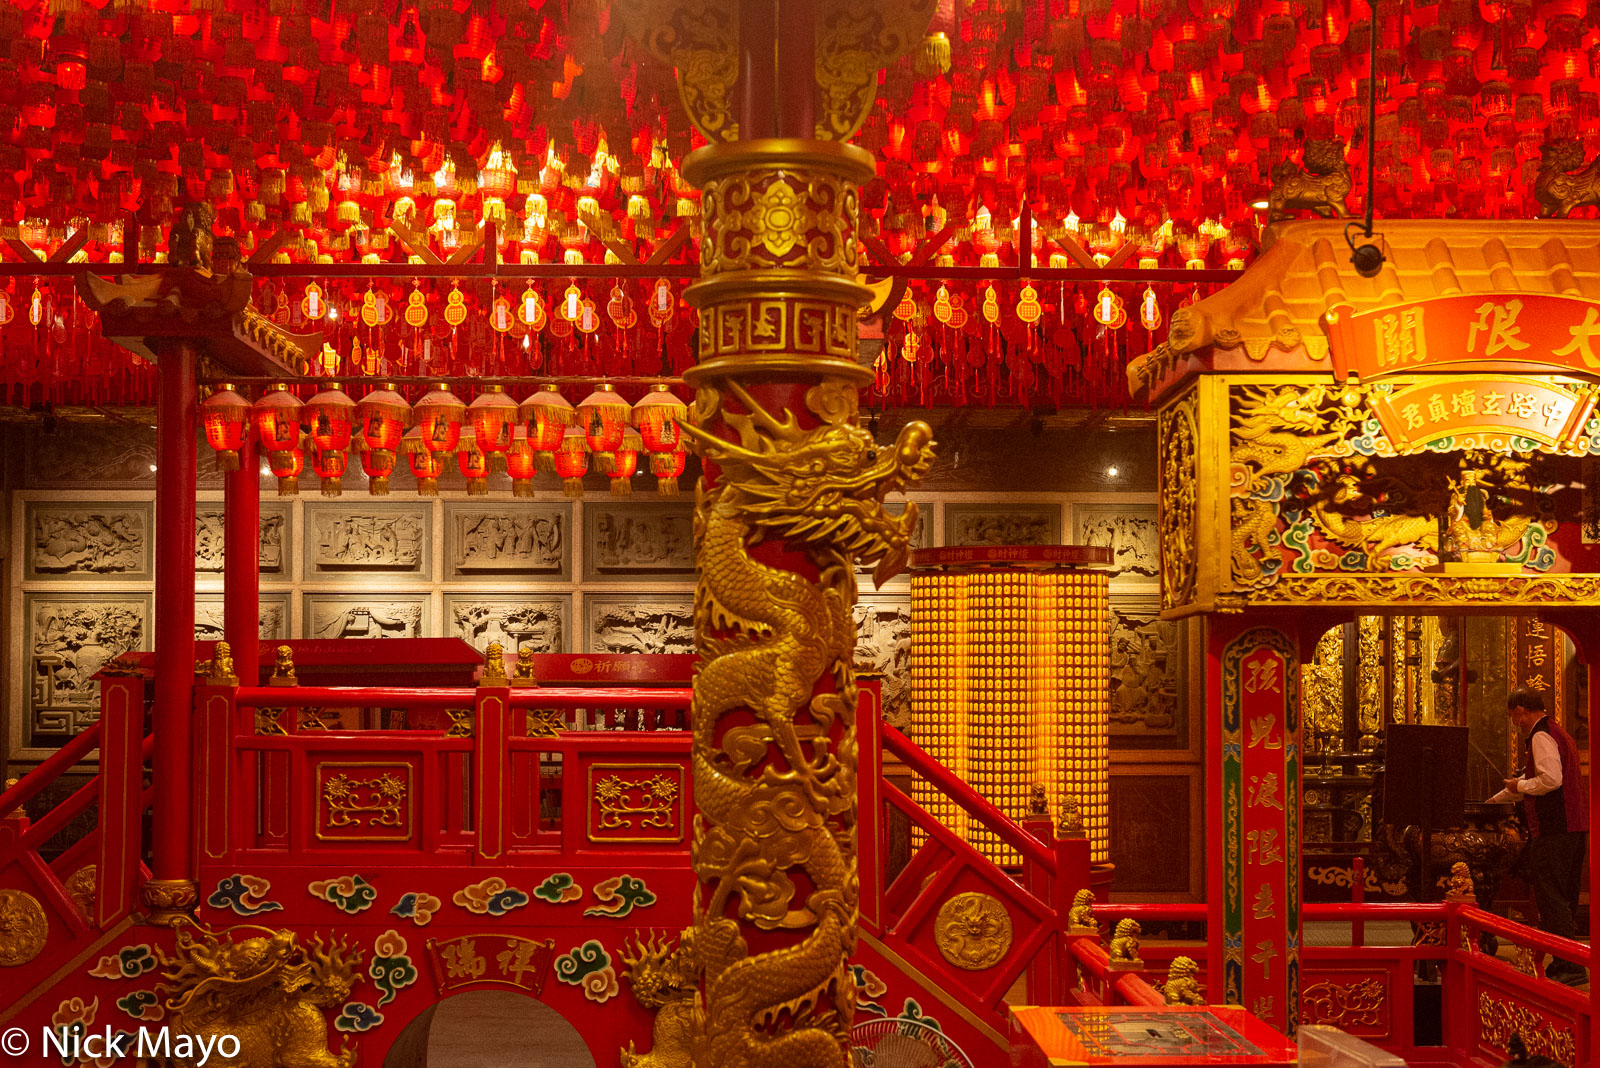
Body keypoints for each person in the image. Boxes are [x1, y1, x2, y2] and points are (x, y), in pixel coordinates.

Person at [1487, 686, 1589, 987]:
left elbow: (1550, 780)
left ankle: (1568, 965)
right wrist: (1498, 798)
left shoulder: (1540, 736)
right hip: (1573, 830)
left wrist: (1520, 787)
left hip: (1555, 831)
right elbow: (1534, 780)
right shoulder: (1558, 732)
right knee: (1564, 897)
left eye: (1512, 716)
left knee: (1551, 897)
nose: (1514, 722)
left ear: (1520, 709)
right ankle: (1568, 961)